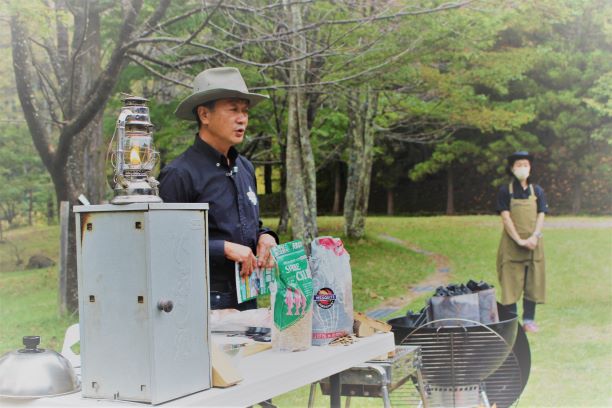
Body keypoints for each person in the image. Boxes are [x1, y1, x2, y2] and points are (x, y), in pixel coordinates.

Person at [159, 67, 278, 310]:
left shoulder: (244, 168)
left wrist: (266, 236)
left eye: (245, 111)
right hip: (200, 303)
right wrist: (222, 248)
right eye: (233, 109)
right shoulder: (179, 174)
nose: (242, 118)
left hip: (247, 295)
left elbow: (248, 225)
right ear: (204, 114)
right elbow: (163, 244)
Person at [496, 151, 548, 333]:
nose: (522, 168)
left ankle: (529, 321)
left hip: (534, 246)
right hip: (512, 246)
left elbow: (541, 214)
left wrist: (534, 236)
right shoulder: (505, 191)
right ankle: (512, 324)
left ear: (530, 167)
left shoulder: (537, 191)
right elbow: (506, 218)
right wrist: (518, 240)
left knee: (533, 283)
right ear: (512, 168)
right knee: (510, 284)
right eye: (518, 165)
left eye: (525, 164)